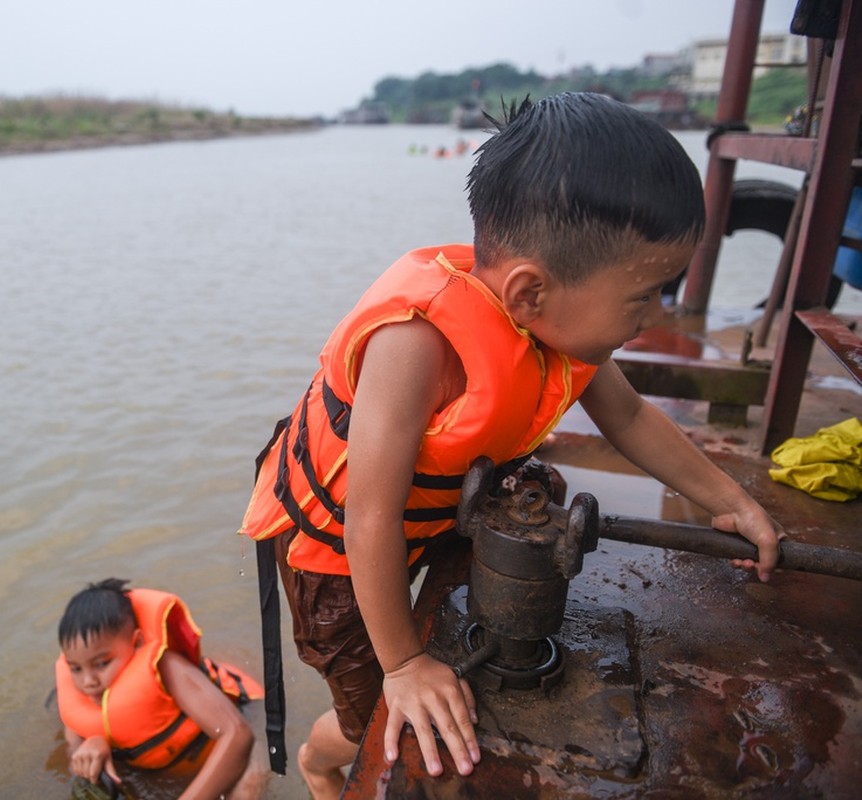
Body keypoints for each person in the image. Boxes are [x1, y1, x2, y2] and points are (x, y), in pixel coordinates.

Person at [239, 92, 783, 799]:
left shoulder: (557, 318)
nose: (658, 317)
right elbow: (366, 516)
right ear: (530, 293)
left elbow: (631, 417)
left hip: (429, 517)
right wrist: (404, 665)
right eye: (644, 297)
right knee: (368, 710)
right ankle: (319, 762)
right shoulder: (415, 345)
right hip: (336, 551)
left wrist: (731, 500)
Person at [55, 578, 266, 800]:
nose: (88, 681)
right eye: (76, 668)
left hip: (229, 757)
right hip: (159, 773)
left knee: (252, 779)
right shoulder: (80, 699)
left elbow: (238, 735)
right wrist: (93, 744)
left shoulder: (167, 668)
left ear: (136, 643)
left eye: (102, 664)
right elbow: (74, 760)